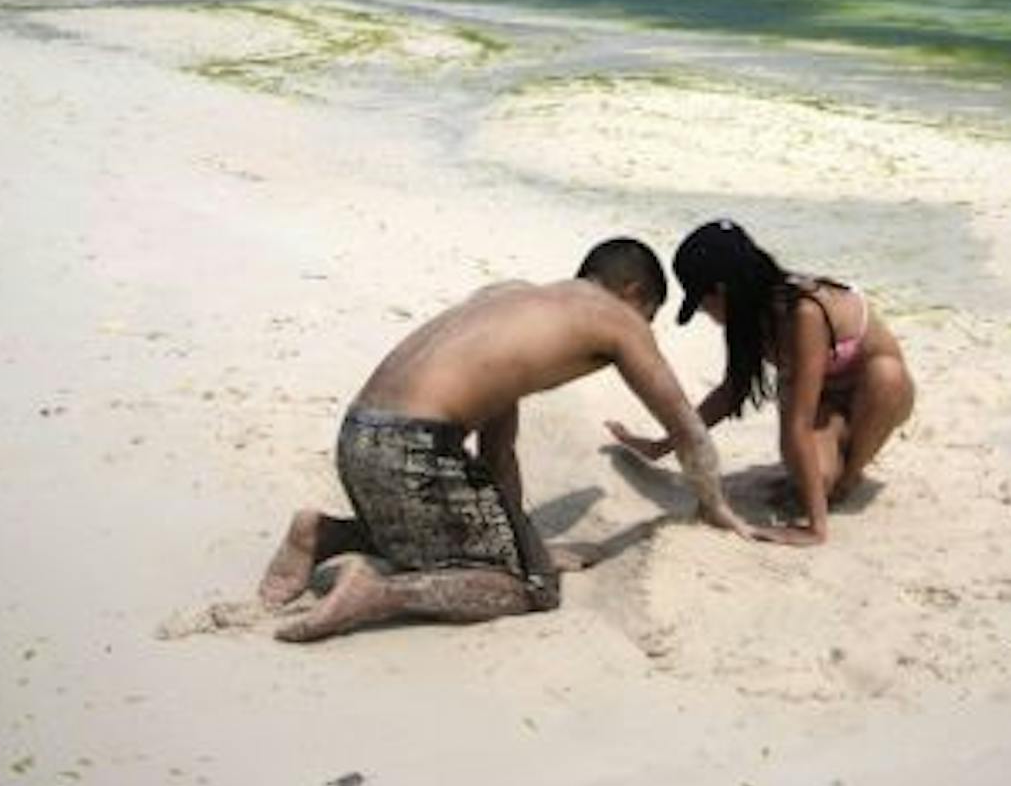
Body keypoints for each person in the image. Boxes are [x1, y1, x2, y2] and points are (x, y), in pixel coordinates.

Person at [259, 237, 751, 642]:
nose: (644, 329)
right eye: (649, 314)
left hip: (359, 437)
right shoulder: (616, 319)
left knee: (449, 540)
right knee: (530, 590)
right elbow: (689, 431)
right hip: (413, 450)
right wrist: (716, 506)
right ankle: (378, 593)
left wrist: (526, 543)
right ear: (632, 290)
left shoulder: (506, 298)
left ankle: (324, 534)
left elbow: (497, 455)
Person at [607, 220, 915, 547]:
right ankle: (836, 452)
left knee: (886, 376)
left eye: (704, 302)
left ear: (723, 290)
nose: (706, 313)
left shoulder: (803, 312)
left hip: (880, 395)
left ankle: (850, 475)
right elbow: (731, 393)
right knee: (815, 478)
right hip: (824, 400)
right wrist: (662, 445)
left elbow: (799, 422)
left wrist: (815, 527)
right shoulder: (749, 315)